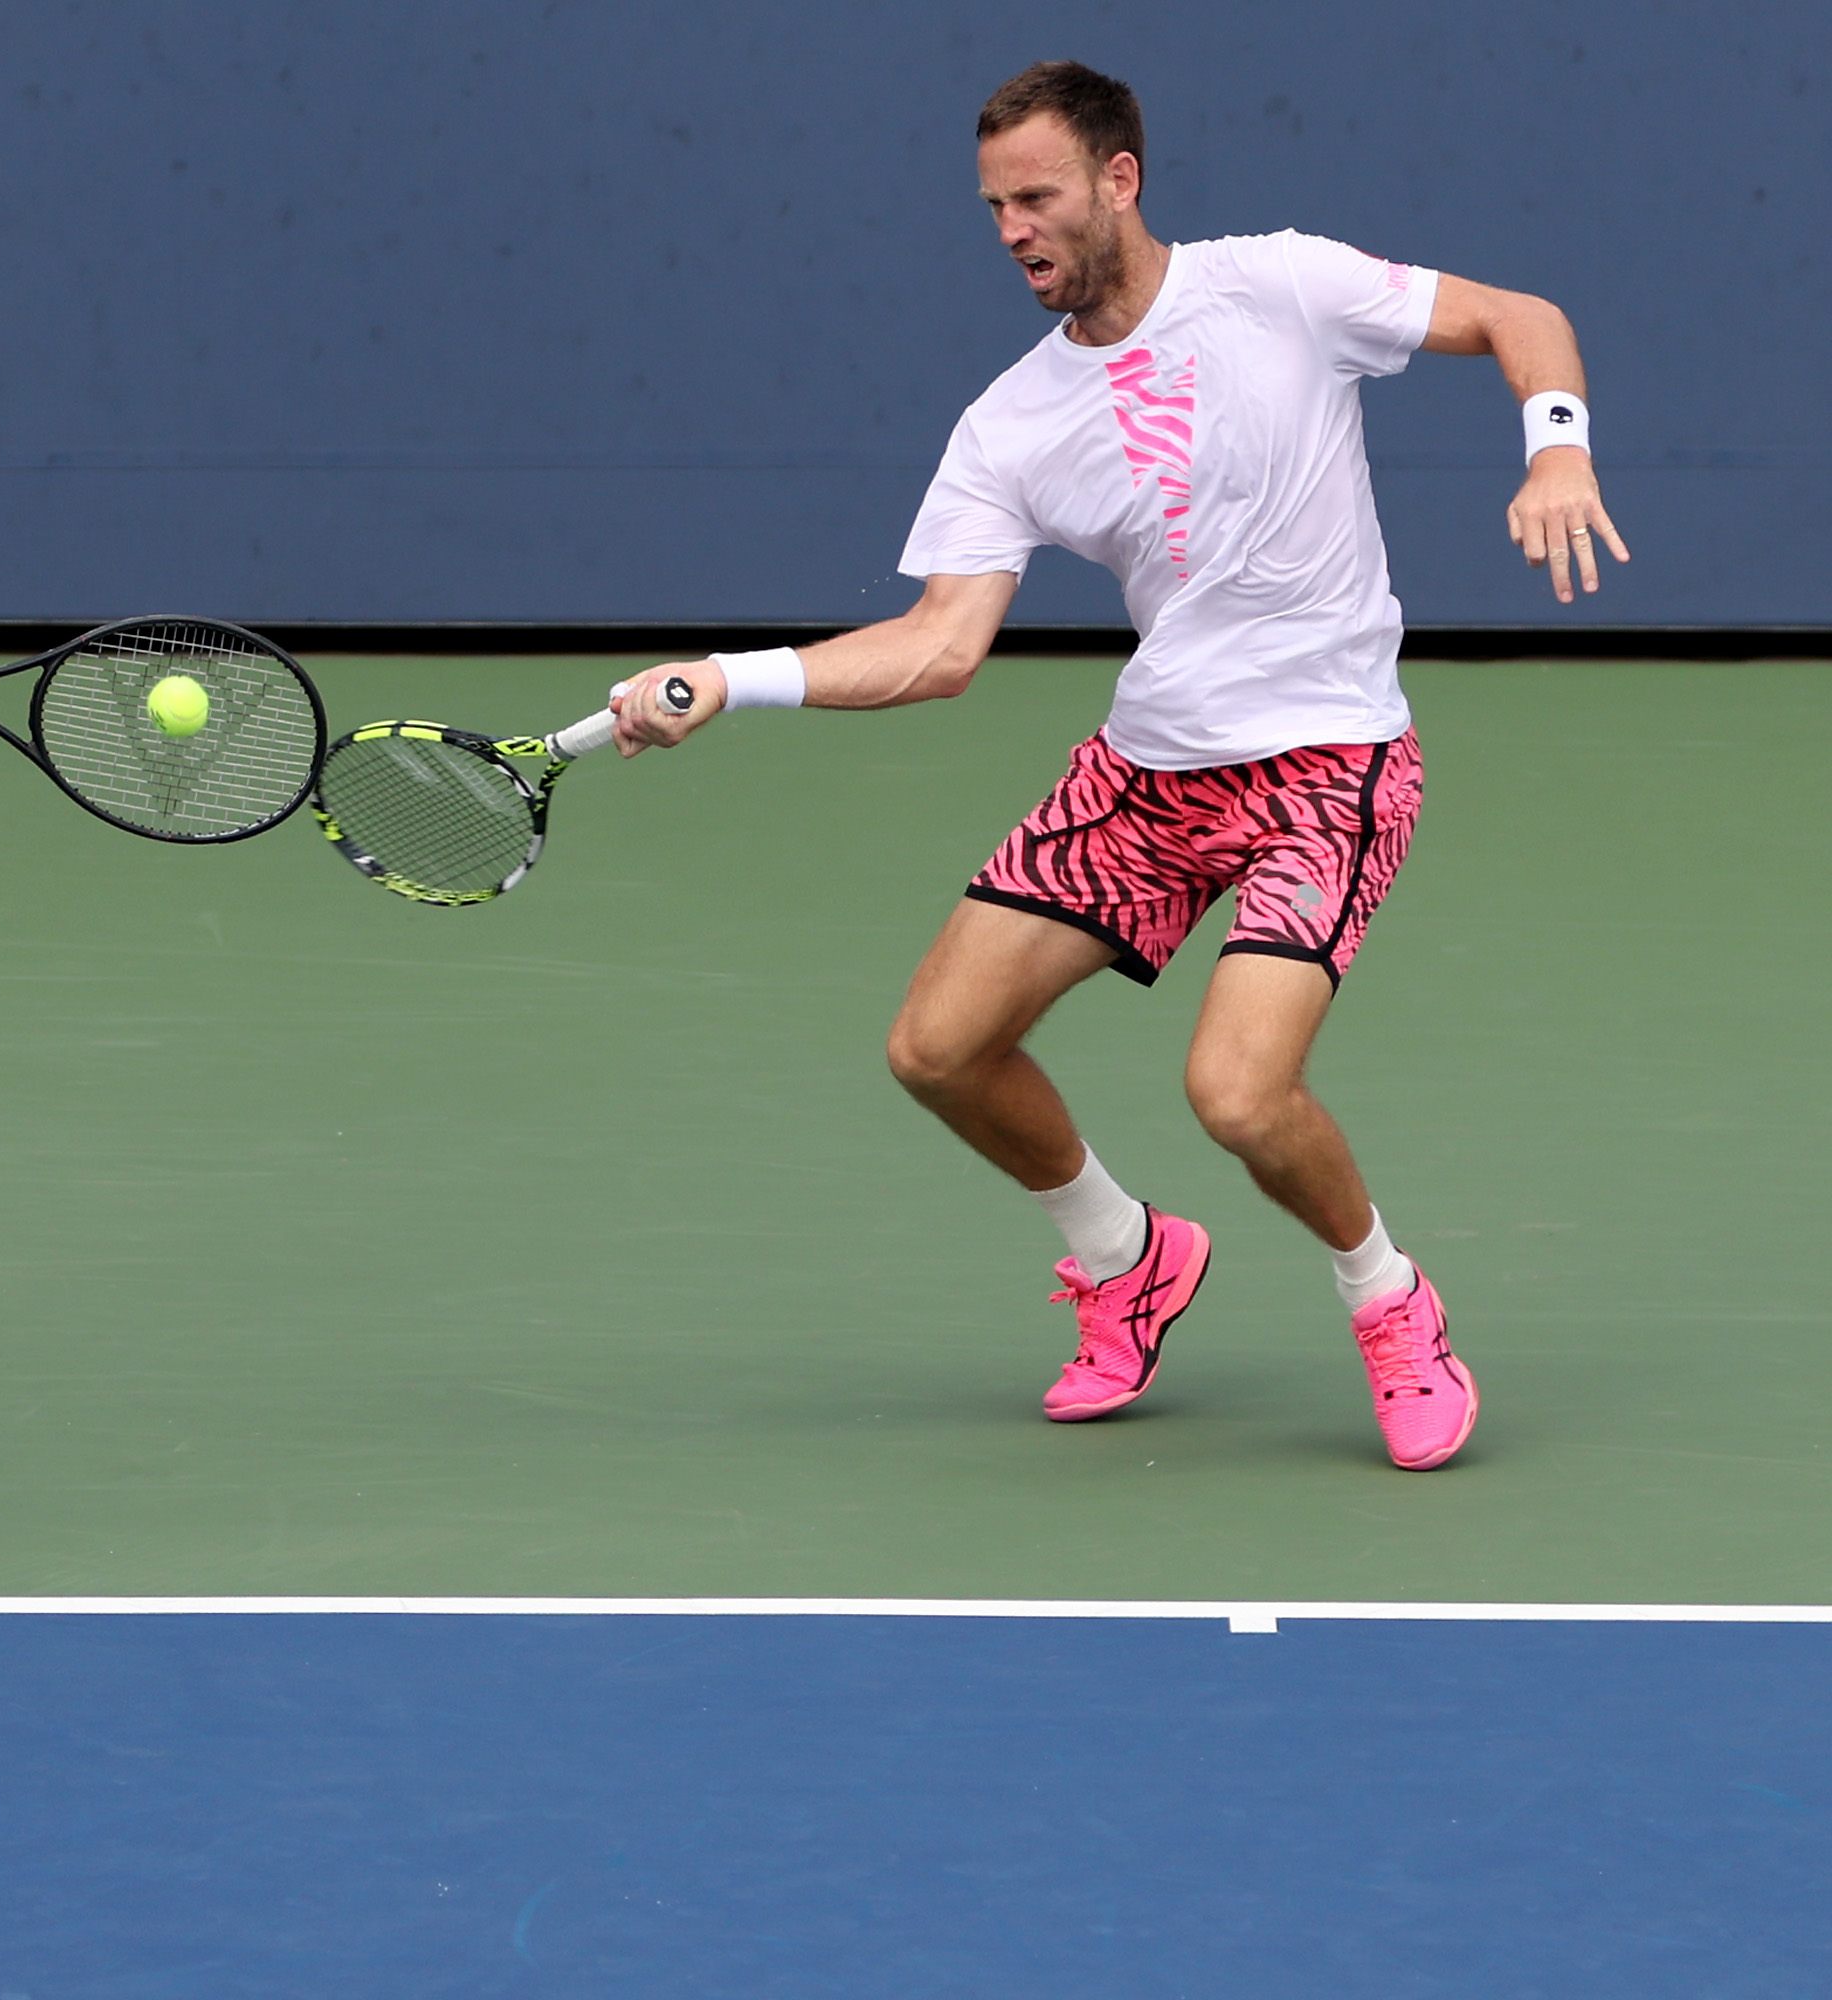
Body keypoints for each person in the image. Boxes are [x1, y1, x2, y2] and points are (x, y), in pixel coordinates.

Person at [611, 60, 1626, 1471]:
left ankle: (1390, 1301)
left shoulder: (1280, 284)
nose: (1014, 229)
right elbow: (938, 645)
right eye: (992, 209)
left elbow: (1524, 319)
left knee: (1240, 1095)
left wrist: (1556, 452)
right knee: (938, 1047)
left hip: (1327, 769)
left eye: (1037, 197)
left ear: (1119, 180)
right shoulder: (1012, 422)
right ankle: (1126, 1256)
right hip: (1150, 777)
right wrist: (733, 680)